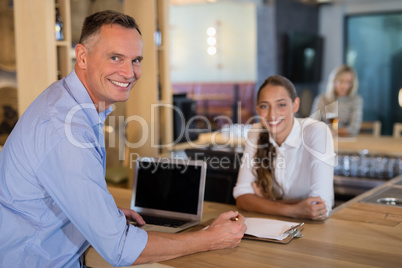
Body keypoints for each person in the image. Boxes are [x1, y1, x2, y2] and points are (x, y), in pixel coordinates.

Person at [0, 10, 246, 267]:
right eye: (115, 58)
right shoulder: (65, 131)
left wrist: (105, 215)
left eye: (136, 60)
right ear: (82, 57)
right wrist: (210, 238)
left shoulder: (65, 100)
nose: (129, 73)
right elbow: (120, 249)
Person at [233, 75, 334, 221]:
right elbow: (242, 197)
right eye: (264, 106)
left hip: (311, 230)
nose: (272, 114)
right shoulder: (256, 132)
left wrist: (265, 201)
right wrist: (293, 210)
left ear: (295, 105)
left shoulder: (316, 131)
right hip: (271, 226)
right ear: (257, 108)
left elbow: (320, 206)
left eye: (281, 105)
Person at [310, 65, 363, 136]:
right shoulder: (321, 99)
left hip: (346, 141)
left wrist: (334, 132)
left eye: (348, 82)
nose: (344, 86)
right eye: (340, 81)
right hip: (323, 138)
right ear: (333, 81)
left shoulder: (356, 100)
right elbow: (313, 123)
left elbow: (354, 128)